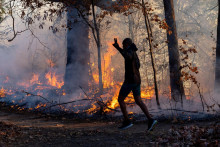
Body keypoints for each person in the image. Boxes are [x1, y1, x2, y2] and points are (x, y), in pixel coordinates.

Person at [112, 38, 157, 131]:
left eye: (124, 44)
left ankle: (127, 121)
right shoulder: (133, 51)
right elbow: (137, 64)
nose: (123, 46)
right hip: (137, 81)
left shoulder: (130, 51)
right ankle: (150, 120)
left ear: (128, 44)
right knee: (138, 101)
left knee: (120, 99)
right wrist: (119, 48)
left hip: (130, 81)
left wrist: (118, 48)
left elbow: (127, 56)